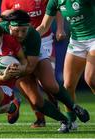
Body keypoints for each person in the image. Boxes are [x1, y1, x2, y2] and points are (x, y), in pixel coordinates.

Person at [0, 9, 90, 133]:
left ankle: (73, 107)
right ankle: (64, 121)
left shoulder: (33, 35)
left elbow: (30, 67)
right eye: (16, 31)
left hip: (30, 59)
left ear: (29, 26)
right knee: (35, 101)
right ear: (9, 26)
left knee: (50, 85)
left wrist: (18, 70)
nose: (20, 34)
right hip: (15, 62)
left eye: (23, 30)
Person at [0, 0, 67, 128]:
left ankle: (58, 105)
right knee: (28, 86)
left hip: (43, 41)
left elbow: (56, 8)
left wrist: (60, 28)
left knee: (47, 83)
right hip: (20, 45)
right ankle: (40, 118)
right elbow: (4, 17)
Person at [36, 0, 95, 129]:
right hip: (76, 42)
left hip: (94, 39)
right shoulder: (55, 2)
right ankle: (71, 122)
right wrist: (29, 37)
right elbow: (44, 26)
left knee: (90, 79)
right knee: (67, 86)